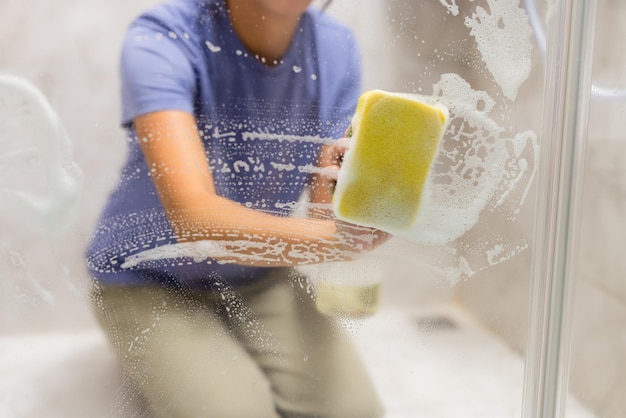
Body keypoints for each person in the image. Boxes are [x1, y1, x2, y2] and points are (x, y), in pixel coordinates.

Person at [86, 0, 387, 416]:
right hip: (147, 278)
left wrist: (365, 197)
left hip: (260, 273)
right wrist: (339, 242)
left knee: (355, 413)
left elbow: (324, 211)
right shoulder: (162, 36)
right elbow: (196, 222)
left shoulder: (337, 47)